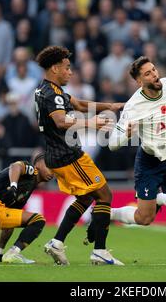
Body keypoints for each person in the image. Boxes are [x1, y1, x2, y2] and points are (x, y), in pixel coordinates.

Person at [34, 45, 124, 266]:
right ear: (55, 68)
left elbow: (79, 104)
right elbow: (61, 121)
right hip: (68, 155)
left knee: (85, 198)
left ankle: (56, 242)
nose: (70, 72)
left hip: (56, 156)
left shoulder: (45, 90)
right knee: (104, 195)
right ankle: (100, 252)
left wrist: (109, 106)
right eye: (67, 68)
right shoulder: (52, 94)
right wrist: (91, 124)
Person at [107, 56, 166, 227]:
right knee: (145, 219)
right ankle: (109, 213)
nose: (155, 75)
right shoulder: (133, 106)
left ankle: (157, 198)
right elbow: (112, 144)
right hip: (150, 162)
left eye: (154, 70)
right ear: (139, 81)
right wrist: (126, 135)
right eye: (148, 74)